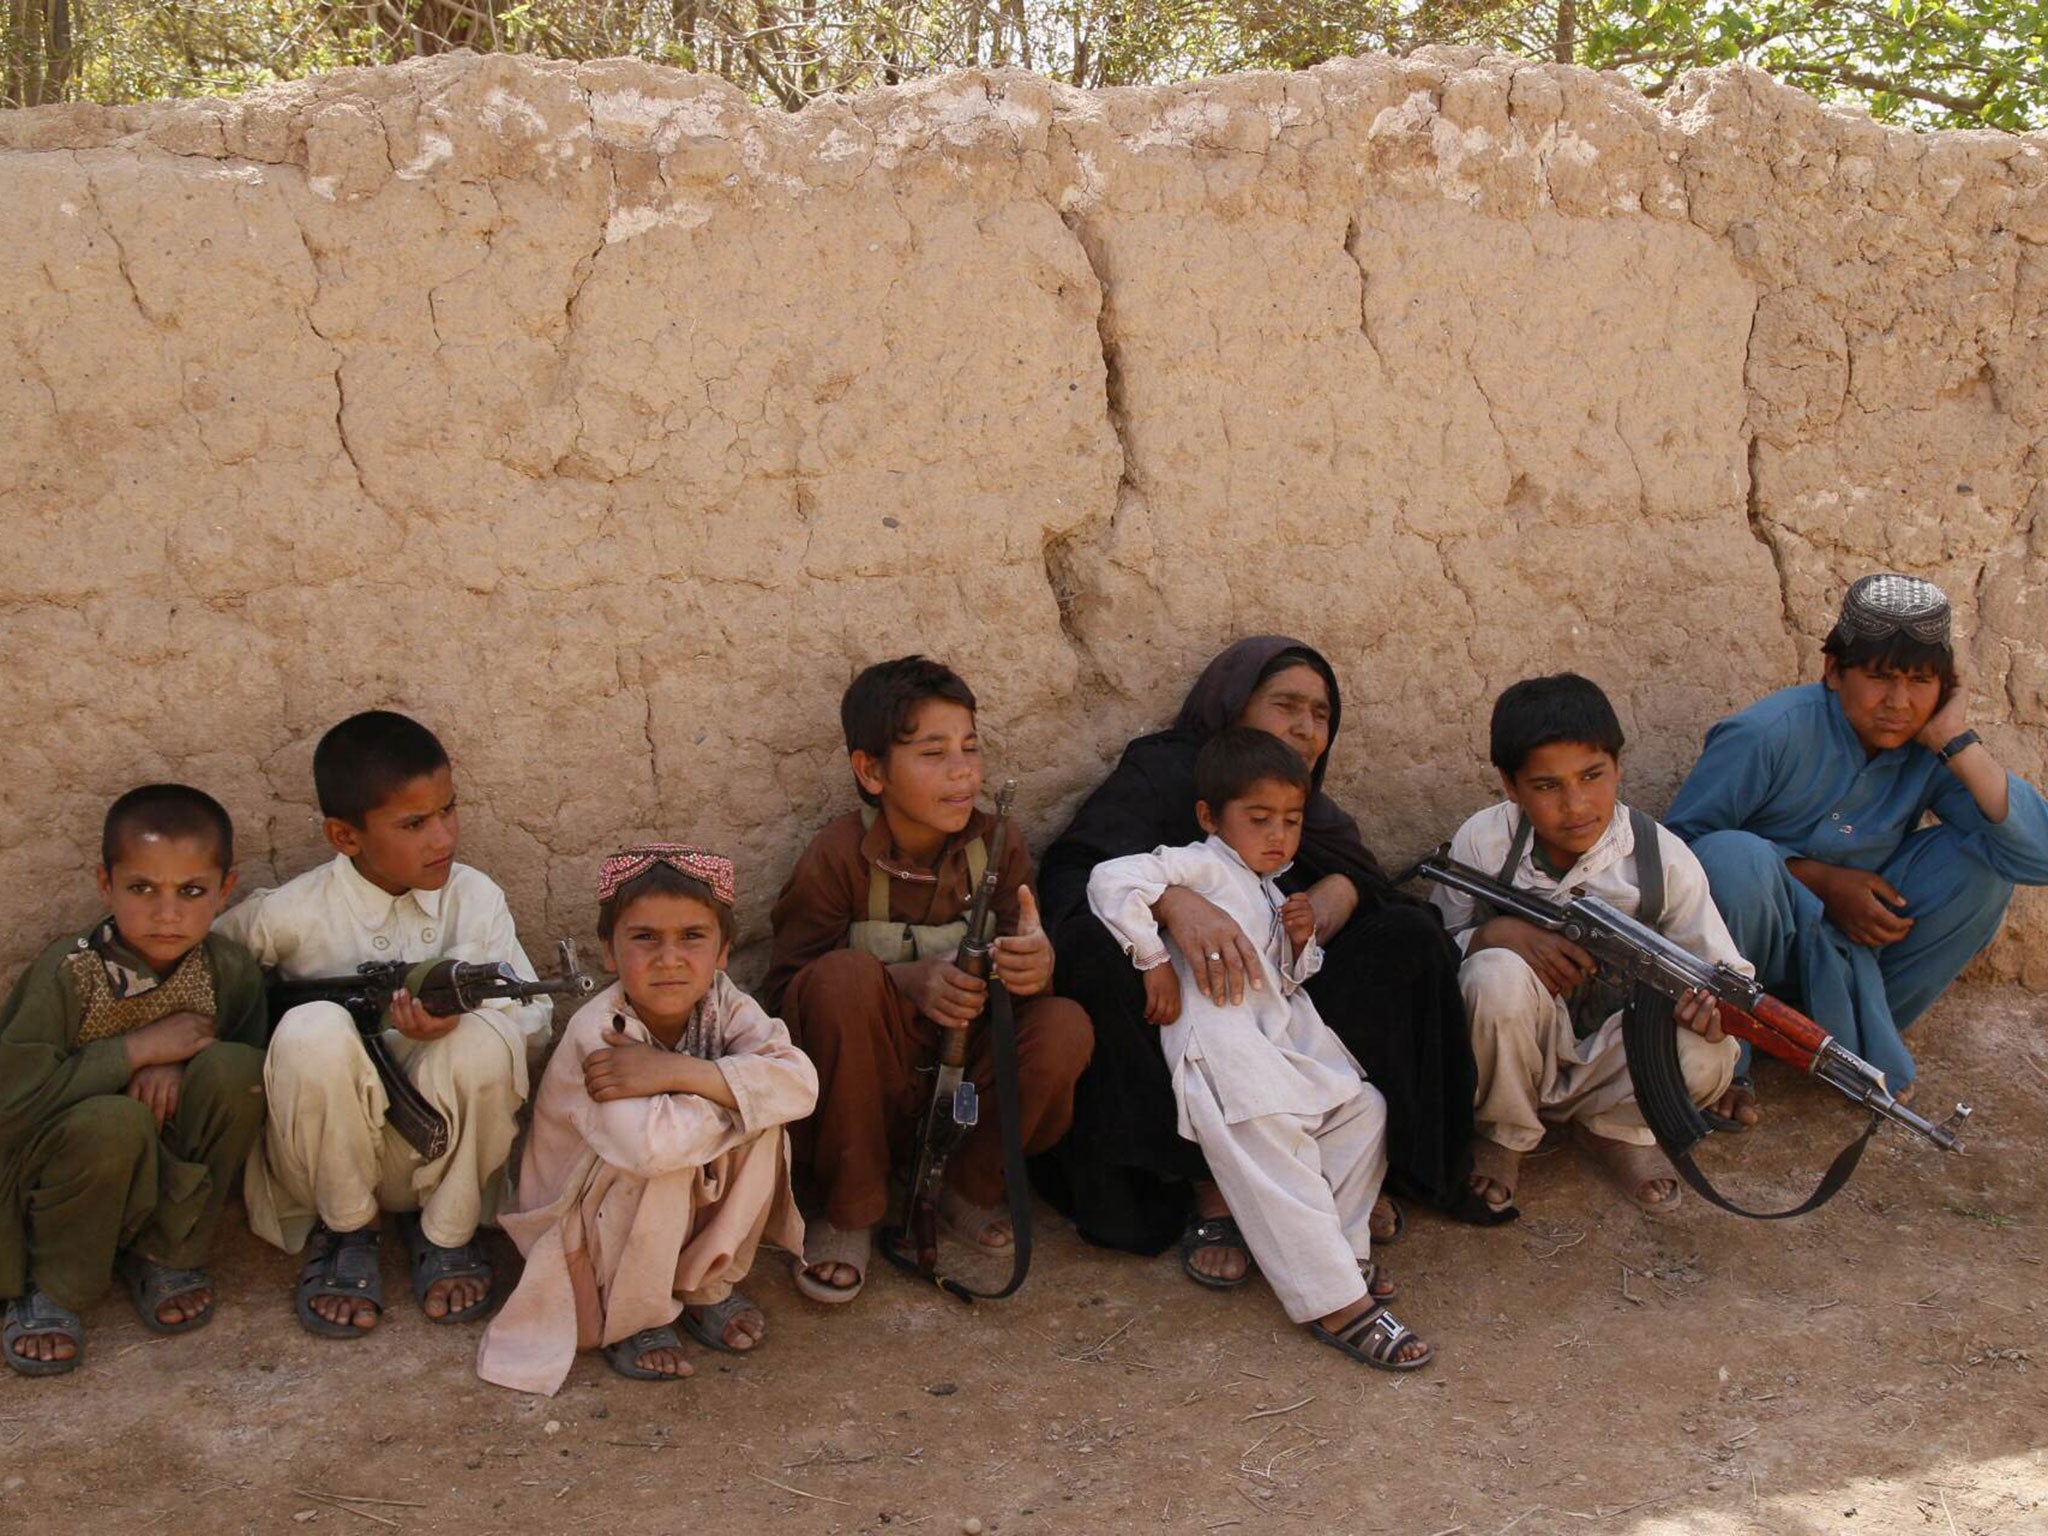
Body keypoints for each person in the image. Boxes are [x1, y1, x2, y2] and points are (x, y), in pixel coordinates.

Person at [1032, 636, 1492, 1284]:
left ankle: (1345, 1170)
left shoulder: (1315, 815)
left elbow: (1368, 884)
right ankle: (1209, 1188)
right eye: (1286, 706)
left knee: (1408, 940)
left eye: (1322, 715)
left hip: (1274, 992)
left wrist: (1344, 891)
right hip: (1185, 1006)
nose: (1305, 729)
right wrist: (1172, 904)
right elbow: (1076, 874)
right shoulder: (1163, 774)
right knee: (1094, 953)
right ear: (1234, 705)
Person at [1087, 729, 1431, 1370]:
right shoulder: (1201, 864)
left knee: (1364, 1110)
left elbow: (1284, 978)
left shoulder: (1271, 887)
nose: (1279, 835)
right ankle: (1335, 1302)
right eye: (1260, 818)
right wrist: (1153, 956)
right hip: (1223, 1047)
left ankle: (1345, 1251)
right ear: (1211, 818)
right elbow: (1112, 879)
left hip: (1280, 1043)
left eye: (1292, 821)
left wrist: (1299, 940)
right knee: (1269, 1136)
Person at [765, 656, 1093, 1304]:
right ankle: (850, 1209)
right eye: (933, 753)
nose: (962, 770)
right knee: (842, 982)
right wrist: (903, 981)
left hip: (962, 1081)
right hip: (862, 1094)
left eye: (970, 749)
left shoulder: (999, 847)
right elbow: (786, 997)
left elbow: (1024, 974)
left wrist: (1035, 966)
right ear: (871, 771)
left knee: (1065, 1027)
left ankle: (966, 1188)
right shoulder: (837, 857)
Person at [215, 710, 553, 1338]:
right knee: (312, 1030)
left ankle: (448, 1235)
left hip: (441, 1150)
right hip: (324, 1158)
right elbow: (201, 968)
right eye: (414, 824)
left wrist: (456, 1024)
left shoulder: (475, 898)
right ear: (346, 836)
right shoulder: (291, 913)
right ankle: (347, 1232)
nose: (442, 837)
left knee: (488, 1033)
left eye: (448, 810)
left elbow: (536, 1016)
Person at [1667, 574, 2048, 1124]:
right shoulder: (1768, 733)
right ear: (1832, 670)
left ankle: (1847, 1040)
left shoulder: (1926, 747)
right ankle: (1732, 1060)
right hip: (1747, 965)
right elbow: (1680, 852)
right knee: (1733, 857)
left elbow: (2034, 858)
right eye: (1878, 677)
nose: (1899, 702)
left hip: (1854, 966)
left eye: (1921, 681)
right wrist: (1818, 881)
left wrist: (1957, 743)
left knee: (1983, 865)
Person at [477, 847, 816, 1392]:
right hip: (585, 1218)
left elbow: (800, 1085)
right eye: (644, 938)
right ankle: (635, 1314)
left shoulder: (726, 1004)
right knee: (683, 1152)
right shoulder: (600, 1031)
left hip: (677, 1175)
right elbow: (650, 1148)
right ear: (609, 953)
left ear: (723, 951)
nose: (669, 958)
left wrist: (675, 1071)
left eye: (692, 937)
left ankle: (704, 1287)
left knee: (764, 1127)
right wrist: (740, 1096)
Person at [1432, 675, 1742, 1213]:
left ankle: (1615, 1128)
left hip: (1619, 1048)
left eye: (1593, 776)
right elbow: (1434, 949)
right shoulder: (1484, 842)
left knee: (1710, 1055)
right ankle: (1505, 1131)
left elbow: (1722, 968)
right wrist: (1491, 935)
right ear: (1510, 785)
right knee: (1491, 976)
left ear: (1619, 767)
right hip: (1520, 1042)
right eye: (1548, 786)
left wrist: (1713, 1011)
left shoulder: (1662, 860)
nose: (1576, 805)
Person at [0, 786, 267, 1376]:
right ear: (105, 885)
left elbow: (247, 1072)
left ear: (225, 890)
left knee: (238, 1071)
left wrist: (179, 1060)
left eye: (191, 891)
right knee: (113, 1121)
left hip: (161, 1166)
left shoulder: (227, 970)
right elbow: (11, 1107)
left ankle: (167, 1252)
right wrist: (135, 1052)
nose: (166, 913)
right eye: (142, 889)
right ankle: (53, 1286)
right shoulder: (68, 975)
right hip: (56, 1177)